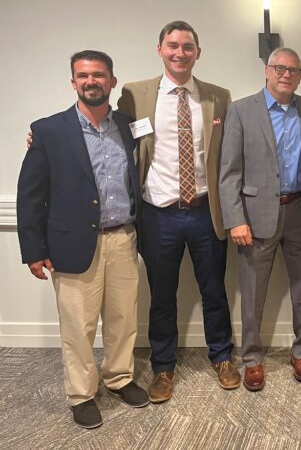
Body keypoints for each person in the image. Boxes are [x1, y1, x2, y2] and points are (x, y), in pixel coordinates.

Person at [17, 50, 148, 428]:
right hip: (70, 244)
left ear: (112, 80)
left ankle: (119, 377)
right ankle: (81, 394)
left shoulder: (128, 126)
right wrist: (34, 250)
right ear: (73, 82)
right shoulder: (48, 131)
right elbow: (30, 194)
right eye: (83, 75)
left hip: (123, 238)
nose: (91, 81)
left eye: (99, 75)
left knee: (123, 318)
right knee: (78, 325)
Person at [117, 21, 239, 402]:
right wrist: (44, 137)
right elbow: (107, 130)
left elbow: (230, 153)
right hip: (158, 214)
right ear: (159, 50)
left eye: (188, 46)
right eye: (172, 46)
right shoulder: (135, 94)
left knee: (214, 290)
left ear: (198, 52)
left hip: (205, 212)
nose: (180, 53)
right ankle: (163, 368)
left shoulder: (218, 97)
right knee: (162, 295)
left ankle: (222, 357)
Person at [219, 47, 301, 391]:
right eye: (279, 68)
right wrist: (235, 218)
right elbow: (229, 171)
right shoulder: (241, 110)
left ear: (300, 76)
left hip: (300, 211)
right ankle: (251, 358)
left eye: (293, 70)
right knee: (252, 292)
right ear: (266, 71)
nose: (285, 75)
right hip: (254, 214)